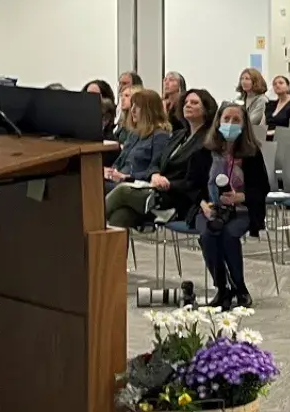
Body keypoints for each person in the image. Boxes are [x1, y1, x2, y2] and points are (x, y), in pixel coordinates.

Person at [183, 103, 270, 309]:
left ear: (244, 125)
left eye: (236, 120)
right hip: (209, 208)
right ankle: (222, 288)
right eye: (226, 119)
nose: (230, 124)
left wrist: (239, 197)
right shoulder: (203, 152)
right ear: (218, 122)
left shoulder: (251, 154)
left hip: (242, 209)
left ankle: (240, 288)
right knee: (208, 235)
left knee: (229, 235)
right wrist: (204, 205)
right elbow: (191, 186)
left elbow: (262, 188)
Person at [105, 88, 214, 228]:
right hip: (156, 189)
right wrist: (155, 173)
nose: (188, 105)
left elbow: (194, 181)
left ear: (206, 109)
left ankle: (86, 226)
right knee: (121, 216)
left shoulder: (207, 141)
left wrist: (167, 182)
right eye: (186, 102)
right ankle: (101, 249)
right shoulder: (179, 135)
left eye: (194, 103)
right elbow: (156, 162)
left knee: (122, 191)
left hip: (178, 196)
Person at [103, 88, 172, 187]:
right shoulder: (134, 134)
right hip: (119, 180)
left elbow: (155, 170)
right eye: (132, 105)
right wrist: (110, 171)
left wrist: (127, 176)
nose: (133, 110)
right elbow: (119, 161)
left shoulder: (160, 136)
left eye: (138, 106)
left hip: (135, 183)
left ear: (149, 110)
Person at [236, 67, 268, 132]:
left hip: (254, 133)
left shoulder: (262, 100)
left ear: (255, 81)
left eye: (247, 79)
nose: (243, 82)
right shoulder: (240, 98)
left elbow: (252, 121)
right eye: (242, 79)